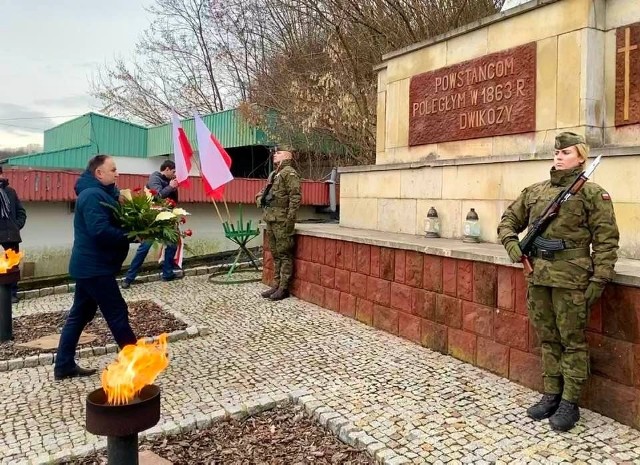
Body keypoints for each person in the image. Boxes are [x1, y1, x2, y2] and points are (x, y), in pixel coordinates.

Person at [497, 132, 619, 432]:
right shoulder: (536, 192)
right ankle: (551, 393)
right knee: (548, 338)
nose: (558, 156)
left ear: (581, 157)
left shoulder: (593, 195)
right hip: (539, 277)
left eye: (566, 152)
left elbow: (607, 241)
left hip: (573, 281)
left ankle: (570, 402)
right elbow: (508, 221)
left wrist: (599, 279)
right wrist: (513, 246)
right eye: (556, 152)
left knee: (572, 341)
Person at [54, 155, 138, 380]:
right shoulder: (91, 196)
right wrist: (131, 235)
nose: (117, 173)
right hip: (95, 268)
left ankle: (63, 365)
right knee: (117, 312)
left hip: (90, 266)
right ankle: (137, 364)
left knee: (80, 315)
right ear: (99, 173)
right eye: (113, 170)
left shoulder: (101, 193)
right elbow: (99, 231)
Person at [122, 160, 180, 288]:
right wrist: (171, 186)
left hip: (167, 216)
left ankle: (167, 273)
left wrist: (174, 188)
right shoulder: (155, 178)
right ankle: (129, 278)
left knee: (172, 244)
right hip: (153, 218)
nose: (174, 174)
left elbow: (173, 200)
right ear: (167, 169)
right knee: (145, 247)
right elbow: (157, 196)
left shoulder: (170, 180)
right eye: (174, 171)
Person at [256, 145, 301, 301]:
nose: (275, 155)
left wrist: (290, 220)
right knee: (275, 253)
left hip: (282, 220)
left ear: (287, 156)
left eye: (279, 153)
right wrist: (259, 199)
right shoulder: (274, 174)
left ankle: (284, 288)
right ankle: (276, 285)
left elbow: (295, 198)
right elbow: (263, 192)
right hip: (271, 218)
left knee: (284, 254)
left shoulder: (290, 173)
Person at [0, 165, 27, 303]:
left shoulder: (10, 191)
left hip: (11, 235)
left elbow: (21, 211)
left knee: (12, 265)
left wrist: (16, 225)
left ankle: (13, 293)